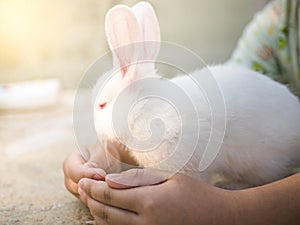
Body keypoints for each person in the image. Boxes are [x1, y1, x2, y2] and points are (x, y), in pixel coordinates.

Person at [63, 0, 300, 224]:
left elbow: (189, 171)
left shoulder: (165, 118)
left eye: (103, 106)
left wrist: (232, 210)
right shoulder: (278, 22)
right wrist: (109, 159)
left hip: (276, 144)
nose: (97, 119)